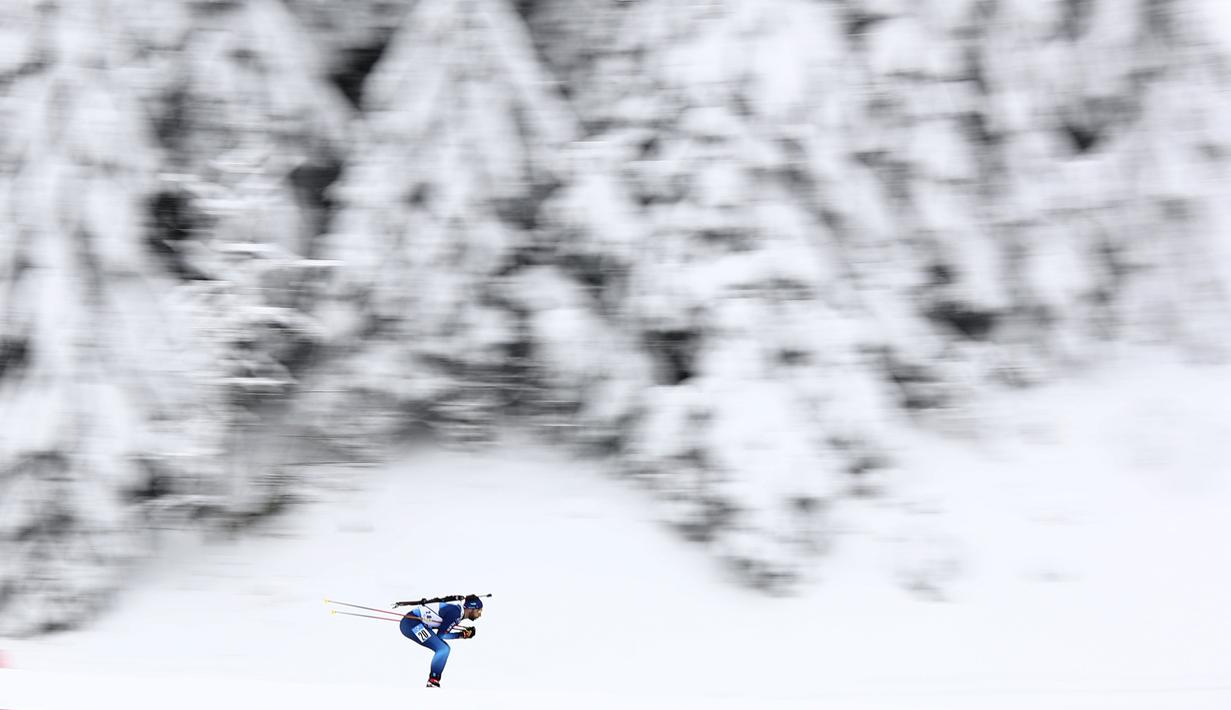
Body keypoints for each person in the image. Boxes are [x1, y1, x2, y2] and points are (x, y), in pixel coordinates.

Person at [394, 594, 484, 687]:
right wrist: (461, 635)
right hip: (411, 624)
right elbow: (441, 635)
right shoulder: (455, 613)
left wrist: (463, 634)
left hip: (414, 624)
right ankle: (433, 681)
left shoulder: (457, 612)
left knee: (444, 648)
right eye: (479, 610)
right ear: (471, 608)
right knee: (443, 649)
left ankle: (433, 681)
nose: (480, 614)